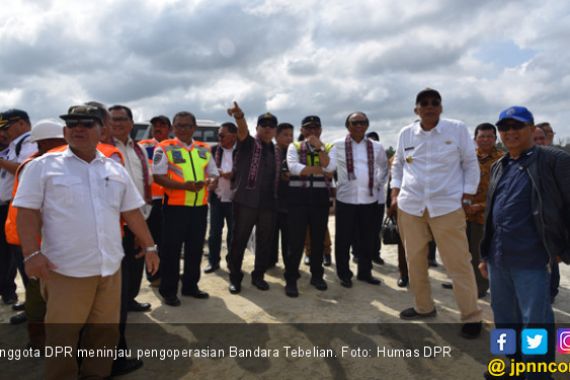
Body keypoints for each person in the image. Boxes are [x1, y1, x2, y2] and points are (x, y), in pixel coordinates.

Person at [14, 104, 158, 380]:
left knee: (104, 335)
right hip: (66, 271)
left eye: (86, 123)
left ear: (101, 130)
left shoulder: (115, 169)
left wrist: (150, 245)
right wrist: (31, 254)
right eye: (72, 124)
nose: (78, 128)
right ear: (65, 130)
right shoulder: (42, 167)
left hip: (110, 270)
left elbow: (131, 212)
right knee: (62, 339)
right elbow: (27, 212)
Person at [479, 106, 570, 379]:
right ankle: (512, 364)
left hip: (532, 258)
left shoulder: (554, 160)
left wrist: (561, 249)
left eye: (516, 126)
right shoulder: (500, 165)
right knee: (504, 318)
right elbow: (491, 214)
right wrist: (485, 254)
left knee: (535, 323)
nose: (510, 133)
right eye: (504, 128)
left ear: (532, 129)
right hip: (498, 259)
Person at [390, 88, 483, 339]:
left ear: (441, 108)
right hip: (411, 207)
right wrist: (395, 194)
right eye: (424, 103)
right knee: (415, 260)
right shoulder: (405, 133)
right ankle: (424, 307)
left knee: (458, 263)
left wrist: (467, 195)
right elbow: (398, 165)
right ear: (416, 109)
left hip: (447, 206)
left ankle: (471, 315)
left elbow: (470, 164)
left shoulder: (457, 129)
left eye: (435, 103)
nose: (430, 106)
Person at [4, 120, 66, 334]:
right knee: (39, 289)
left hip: (21, 235)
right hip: (31, 238)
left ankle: (40, 332)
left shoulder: (35, 162)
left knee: (36, 287)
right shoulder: (39, 166)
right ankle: (41, 337)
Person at [152, 111, 218, 306]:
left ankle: (190, 286)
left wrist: (211, 182)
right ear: (173, 128)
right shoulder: (163, 148)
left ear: (194, 128)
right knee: (171, 251)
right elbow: (158, 176)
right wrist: (184, 186)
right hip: (174, 207)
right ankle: (169, 291)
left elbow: (213, 172)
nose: (183, 129)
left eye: (187, 125)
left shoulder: (204, 149)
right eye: (179, 125)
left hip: (199, 208)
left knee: (195, 249)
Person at [325, 112, 388, 288]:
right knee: (343, 239)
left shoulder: (377, 146)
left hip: (370, 199)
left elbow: (384, 167)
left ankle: (365, 272)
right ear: (348, 125)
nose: (359, 125)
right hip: (346, 199)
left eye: (363, 122)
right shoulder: (337, 145)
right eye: (355, 122)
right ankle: (344, 274)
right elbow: (329, 167)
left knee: (368, 238)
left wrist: (378, 183)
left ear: (367, 125)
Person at [226, 102, 280, 294]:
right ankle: (235, 277)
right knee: (238, 240)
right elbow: (242, 131)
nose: (267, 129)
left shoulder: (276, 150)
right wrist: (239, 116)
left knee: (264, 241)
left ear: (275, 130)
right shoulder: (248, 143)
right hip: (245, 201)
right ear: (257, 128)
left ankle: (258, 276)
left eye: (271, 126)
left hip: (268, 204)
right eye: (263, 125)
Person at [109, 105, 153, 313]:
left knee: (136, 263)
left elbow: (146, 182)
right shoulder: (103, 148)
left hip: (139, 216)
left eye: (121, 119)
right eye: (112, 120)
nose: (116, 123)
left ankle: (129, 300)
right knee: (118, 267)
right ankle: (116, 306)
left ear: (131, 123)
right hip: (114, 221)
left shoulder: (139, 149)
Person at [284, 116, 331, 297]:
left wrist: (319, 149)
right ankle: (291, 279)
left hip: (319, 199)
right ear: (302, 130)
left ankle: (317, 276)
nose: (312, 132)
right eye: (308, 128)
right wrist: (320, 169)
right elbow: (294, 168)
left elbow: (331, 168)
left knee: (318, 240)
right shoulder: (294, 147)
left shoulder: (327, 147)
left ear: (320, 130)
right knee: (295, 242)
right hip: (298, 199)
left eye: (315, 128)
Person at [0, 109, 37, 307]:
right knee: (12, 255)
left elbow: (24, 169)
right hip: (9, 208)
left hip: (20, 208)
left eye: (6, 127)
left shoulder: (29, 142)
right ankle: (31, 299)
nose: (4, 132)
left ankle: (35, 302)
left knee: (25, 256)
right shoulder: (14, 145)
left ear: (22, 123)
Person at [139, 115, 171, 285]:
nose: (158, 128)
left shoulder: (174, 147)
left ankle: (167, 272)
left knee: (167, 240)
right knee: (149, 241)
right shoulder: (142, 147)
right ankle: (154, 276)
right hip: (150, 201)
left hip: (170, 200)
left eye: (162, 125)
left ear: (169, 129)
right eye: (155, 125)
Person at [205, 122, 238, 273]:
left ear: (233, 136)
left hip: (234, 199)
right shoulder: (212, 150)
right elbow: (206, 170)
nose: (219, 138)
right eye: (218, 135)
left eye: (222, 135)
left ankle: (232, 262)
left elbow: (245, 172)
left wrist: (233, 175)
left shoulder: (241, 151)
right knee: (214, 233)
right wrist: (214, 177)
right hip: (217, 197)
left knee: (234, 233)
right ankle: (213, 262)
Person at [269, 122, 294, 269]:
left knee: (289, 238)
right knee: (270, 236)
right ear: (276, 136)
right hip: (272, 201)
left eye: (291, 135)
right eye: (285, 135)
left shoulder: (294, 153)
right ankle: (270, 261)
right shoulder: (271, 152)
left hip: (290, 202)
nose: (289, 138)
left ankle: (290, 265)